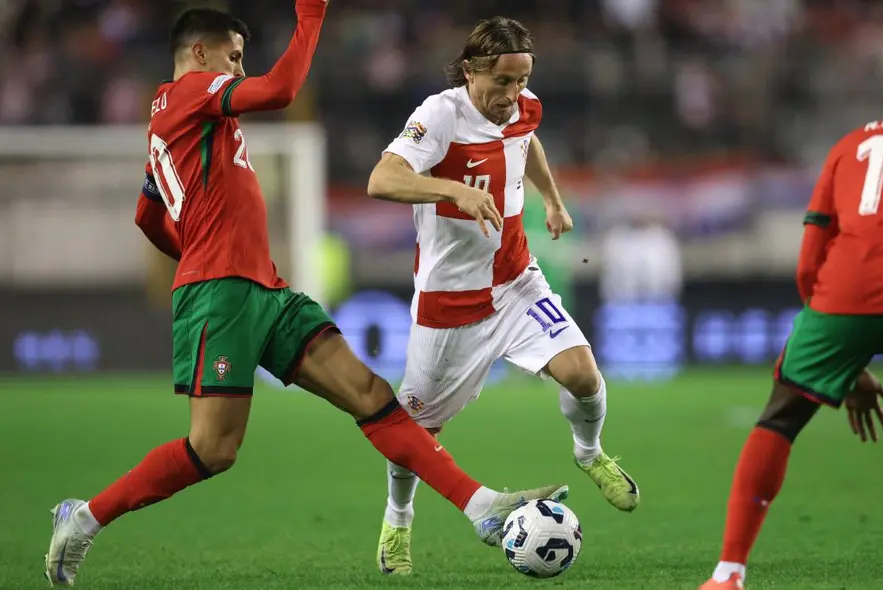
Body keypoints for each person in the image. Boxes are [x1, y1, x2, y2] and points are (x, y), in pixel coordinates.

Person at [44, 4, 568, 586]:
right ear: (200, 53)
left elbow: (147, 212)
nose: (239, 71)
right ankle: (85, 517)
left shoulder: (179, 121)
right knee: (213, 449)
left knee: (370, 394)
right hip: (221, 293)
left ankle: (482, 507)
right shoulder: (191, 90)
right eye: (234, 57)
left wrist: (196, 244)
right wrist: (311, 14)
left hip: (263, 289)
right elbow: (283, 88)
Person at [700, 56, 883, 590]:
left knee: (780, 416)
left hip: (843, 295)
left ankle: (727, 574)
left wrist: (845, 357)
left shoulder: (848, 146)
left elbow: (809, 262)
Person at [366, 16, 640, 576]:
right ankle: (398, 519)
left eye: (522, 81)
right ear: (471, 70)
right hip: (449, 302)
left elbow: (527, 142)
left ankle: (589, 453)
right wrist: (451, 189)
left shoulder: (522, 107)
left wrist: (553, 201)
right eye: (503, 83)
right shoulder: (440, 115)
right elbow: (382, 180)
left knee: (584, 375)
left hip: (516, 281)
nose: (513, 96)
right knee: (415, 434)